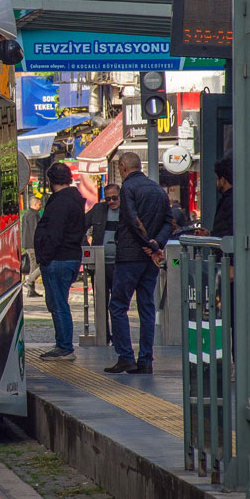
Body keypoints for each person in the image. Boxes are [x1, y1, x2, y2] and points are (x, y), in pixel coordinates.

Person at [107, 152, 171, 375]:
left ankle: (126, 357)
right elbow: (168, 221)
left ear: (123, 167)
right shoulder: (158, 190)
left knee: (118, 306)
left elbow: (132, 220)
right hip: (149, 260)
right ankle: (146, 360)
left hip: (129, 256)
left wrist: (147, 243)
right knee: (146, 308)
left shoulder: (128, 188)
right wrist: (156, 244)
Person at [33, 163, 87, 360]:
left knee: (58, 305)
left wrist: (44, 258)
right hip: (70, 257)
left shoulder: (60, 202)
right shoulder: (74, 200)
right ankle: (63, 345)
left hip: (58, 259)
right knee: (59, 303)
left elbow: (53, 233)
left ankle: (64, 347)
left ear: (50, 181)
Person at [85, 184, 122, 285]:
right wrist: (87, 248)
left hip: (121, 263)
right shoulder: (98, 209)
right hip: (100, 262)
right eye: (108, 199)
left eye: (114, 198)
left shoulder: (127, 210)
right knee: (101, 297)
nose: (111, 202)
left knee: (119, 296)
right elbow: (79, 226)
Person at [22, 193, 42, 296]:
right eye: (39, 204)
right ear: (34, 205)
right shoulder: (34, 215)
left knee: (33, 265)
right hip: (33, 244)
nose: (41, 206)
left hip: (27, 243)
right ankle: (29, 281)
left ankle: (31, 290)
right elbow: (35, 231)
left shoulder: (26, 214)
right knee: (41, 265)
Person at [210, 157, 233, 237]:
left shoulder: (227, 201)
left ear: (222, 180)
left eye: (217, 179)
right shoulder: (233, 199)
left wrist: (213, 235)